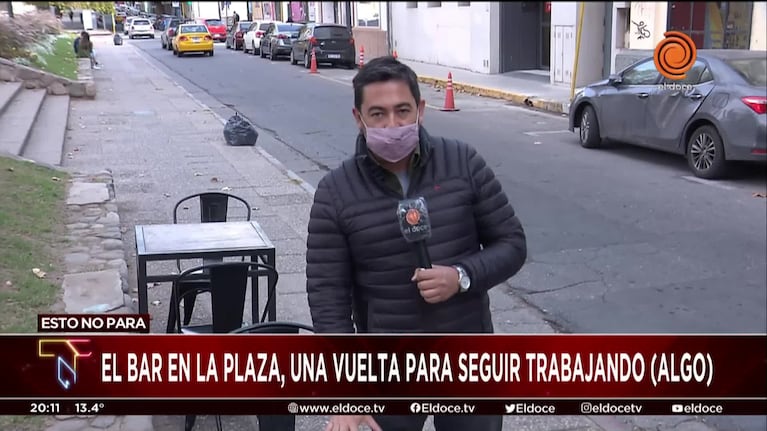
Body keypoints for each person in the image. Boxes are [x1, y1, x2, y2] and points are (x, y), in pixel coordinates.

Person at [306, 56, 527, 431]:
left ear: (421, 111)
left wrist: (461, 275)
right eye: (377, 114)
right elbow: (328, 299)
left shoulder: (463, 162)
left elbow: (512, 244)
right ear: (358, 119)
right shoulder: (335, 192)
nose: (392, 125)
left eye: (402, 111)